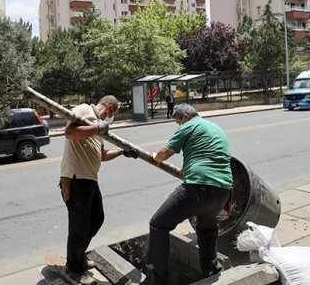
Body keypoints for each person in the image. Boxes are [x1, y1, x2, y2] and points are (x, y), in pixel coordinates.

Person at [143, 103, 233, 285]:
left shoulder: (189, 125)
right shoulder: (213, 127)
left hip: (199, 187)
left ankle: (156, 280)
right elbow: (191, 164)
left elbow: (163, 154)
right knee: (206, 229)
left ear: (184, 116)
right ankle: (211, 271)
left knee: (158, 224)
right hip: (223, 190)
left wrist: (155, 158)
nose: (179, 126)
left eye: (178, 122)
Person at [59, 95, 138, 285]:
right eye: (115, 114)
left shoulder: (98, 124)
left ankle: (78, 257)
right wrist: (97, 128)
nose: (112, 118)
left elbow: (101, 155)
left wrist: (121, 152)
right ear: (110, 107)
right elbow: (69, 132)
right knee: (80, 227)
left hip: (90, 180)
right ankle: (73, 269)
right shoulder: (86, 110)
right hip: (76, 179)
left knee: (97, 219)